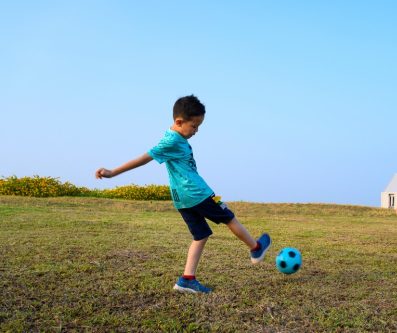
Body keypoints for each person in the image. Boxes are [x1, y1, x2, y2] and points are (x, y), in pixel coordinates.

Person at [95, 95, 271, 293]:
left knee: (201, 235)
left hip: (182, 200)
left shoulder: (171, 137)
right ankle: (256, 248)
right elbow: (144, 158)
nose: (196, 131)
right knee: (229, 217)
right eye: (194, 126)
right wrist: (112, 172)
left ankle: (187, 279)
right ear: (179, 122)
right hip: (199, 193)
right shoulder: (171, 141)